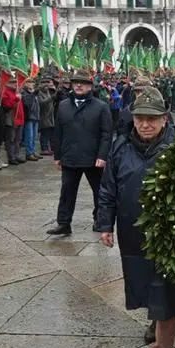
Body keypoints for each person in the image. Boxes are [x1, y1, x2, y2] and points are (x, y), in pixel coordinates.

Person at [96, 86, 175, 348]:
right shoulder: (120, 148)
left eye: (152, 119)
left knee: (167, 293)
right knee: (144, 284)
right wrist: (104, 224)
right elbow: (107, 190)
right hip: (132, 232)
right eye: (140, 118)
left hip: (170, 237)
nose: (145, 124)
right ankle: (155, 320)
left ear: (164, 119)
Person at [48, 70, 113, 236]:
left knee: (99, 191)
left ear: (90, 86)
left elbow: (107, 134)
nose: (78, 85)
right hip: (70, 157)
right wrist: (57, 155)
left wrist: (102, 156)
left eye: (82, 83)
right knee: (67, 191)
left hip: (93, 158)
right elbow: (58, 132)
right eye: (76, 82)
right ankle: (63, 223)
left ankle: (99, 219)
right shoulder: (63, 105)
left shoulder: (101, 106)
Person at [21, 79, 40, 161]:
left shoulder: (33, 92)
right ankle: (29, 153)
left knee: (34, 137)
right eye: (29, 82)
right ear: (24, 83)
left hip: (35, 116)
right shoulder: (23, 92)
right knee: (29, 136)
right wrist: (33, 94)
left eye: (32, 82)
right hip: (29, 117)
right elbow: (27, 103)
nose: (31, 84)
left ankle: (32, 151)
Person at [37, 78, 56, 156]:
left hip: (50, 115)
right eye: (44, 85)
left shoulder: (48, 91)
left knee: (49, 133)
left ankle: (48, 148)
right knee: (45, 133)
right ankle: (44, 149)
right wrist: (50, 98)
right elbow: (41, 103)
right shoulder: (39, 93)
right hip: (43, 115)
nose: (46, 87)